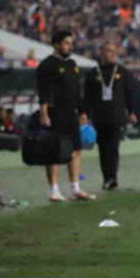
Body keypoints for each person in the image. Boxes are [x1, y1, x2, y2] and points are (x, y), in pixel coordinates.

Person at [36, 30, 93, 202]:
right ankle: (54, 190)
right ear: (56, 44)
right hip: (54, 113)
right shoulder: (47, 65)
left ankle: (74, 188)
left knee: (76, 149)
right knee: (53, 151)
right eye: (67, 43)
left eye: (71, 43)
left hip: (71, 113)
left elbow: (77, 91)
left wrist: (82, 111)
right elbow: (43, 92)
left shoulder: (72, 64)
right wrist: (44, 113)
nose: (70, 46)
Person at [83, 42, 137, 190]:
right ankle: (107, 178)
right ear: (101, 52)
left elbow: (130, 93)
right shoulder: (92, 74)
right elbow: (87, 97)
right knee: (102, 149)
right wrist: (85, 115)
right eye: (109, 51)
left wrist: (131, 111)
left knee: (113, 147)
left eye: (114, 51)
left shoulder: (123, 72)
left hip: (117, 116)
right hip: (100, 117)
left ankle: (112, 178)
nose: (113, 54)